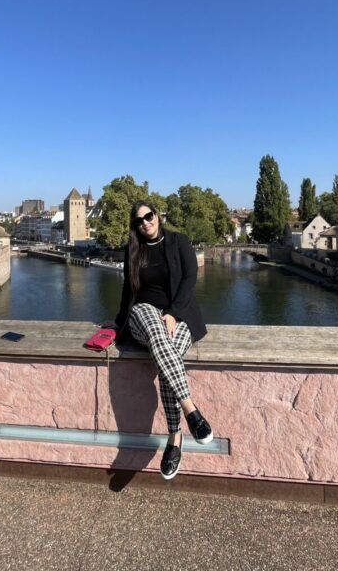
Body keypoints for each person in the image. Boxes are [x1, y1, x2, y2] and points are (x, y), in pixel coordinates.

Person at [114, 200, 213, 480]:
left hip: (179, 315)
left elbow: (190, 279)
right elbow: (126, 289)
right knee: (159, 336)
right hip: (142, 313)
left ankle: (175, 438)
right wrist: (118, 324)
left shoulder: (179, 241)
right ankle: (191, 411)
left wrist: (172, 313)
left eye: (148, 216)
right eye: (138, 221)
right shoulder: (133, 250)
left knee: (166, 352)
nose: (145, 222)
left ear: (158, 215)